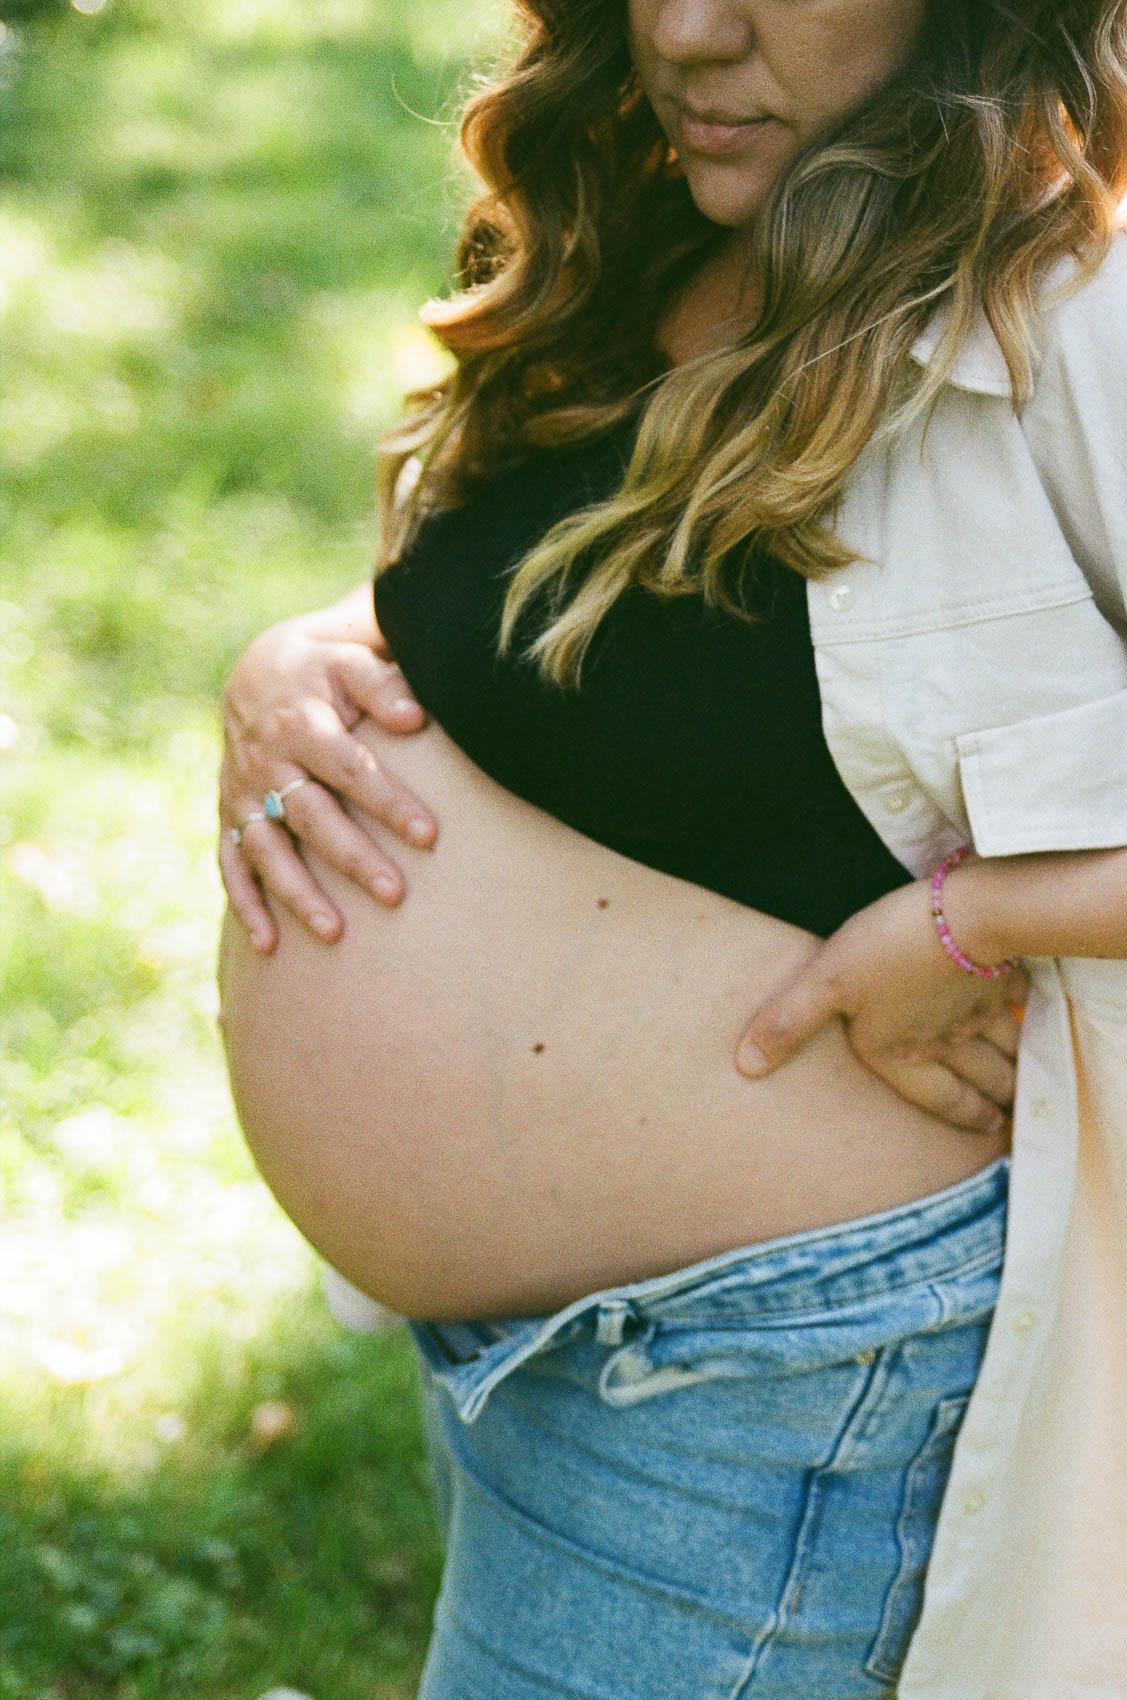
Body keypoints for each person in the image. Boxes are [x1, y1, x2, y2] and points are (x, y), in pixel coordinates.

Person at [217, 1, 1127, 1695]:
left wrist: (969, 924)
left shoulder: (1079, 305)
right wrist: (294, 661)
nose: (686, 31)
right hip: (563, 1350)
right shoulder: (653, 212)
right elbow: (595, 627)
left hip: (781, 1383)